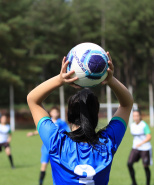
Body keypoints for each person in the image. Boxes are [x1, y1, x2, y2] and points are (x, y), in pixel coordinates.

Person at [27, 52, 133, 185]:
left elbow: (33, 99)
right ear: (96, 117)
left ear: (68, 118)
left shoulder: (57, 143)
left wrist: (60, 80)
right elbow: (127, 104)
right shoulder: (107, 144)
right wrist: (110, 80)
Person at [27, 107, 70, 185]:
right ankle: (40, 183)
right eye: (53, 112)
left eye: (56, 112)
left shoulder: (61, 122)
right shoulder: (48, 121)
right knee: (43, 166)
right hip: (46, 148)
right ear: (50, 113)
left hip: (58, 148)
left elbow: (68, 132)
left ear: (58, 113)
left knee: (58, 167)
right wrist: (33, 133)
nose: (54, 114)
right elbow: (41, 130)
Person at [127, 110, 152, 185]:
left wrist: (141, 143)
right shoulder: (132, 125)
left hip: (145, 148)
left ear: (140, 116)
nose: (135, 117)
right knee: (129, 164)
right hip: (135, 148)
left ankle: (148, 183)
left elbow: (149, 137)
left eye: (137, 116)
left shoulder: (144, 125)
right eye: (134, 116)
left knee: (145, 166)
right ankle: (134, 183)